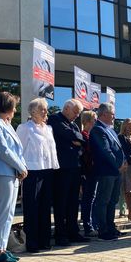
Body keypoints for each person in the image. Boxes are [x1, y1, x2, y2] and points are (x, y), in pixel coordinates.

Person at [0, 92, 28, 262]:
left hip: (11, 172)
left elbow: (17, 149)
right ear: (7, 107)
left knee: (9, 213)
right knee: (2, 212)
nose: (15, 109)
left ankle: (2, 248)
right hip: (2, 172)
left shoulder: (6, 124)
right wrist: (20, 166)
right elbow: (3, 150)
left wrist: (21, 167)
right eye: (14, 106)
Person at [16, 98, 59, 253]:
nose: (45, 112)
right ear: (33, 111)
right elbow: (18, 149)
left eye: (46, 109)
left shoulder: (48, 128)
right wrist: (20, 168)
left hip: (47, 170)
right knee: (32, 207)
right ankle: (32, 242)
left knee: (45, 207)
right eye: (42, 109)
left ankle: (45, 241)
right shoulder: (24, 128)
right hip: (32, 170)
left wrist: (55, 166)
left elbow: (52, 150)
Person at [48, 99, 88, 245]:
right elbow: (68, 135)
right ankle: (60, 234)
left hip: (75, 168)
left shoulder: (74, 125)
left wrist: (77, 141)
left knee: (73, 202)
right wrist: (76, 140)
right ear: (66, 109)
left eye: (78, 113)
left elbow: (82, 140)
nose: (77, 116)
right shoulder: (55, 119)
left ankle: (73, 232)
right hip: (62, 169)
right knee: (61, 203)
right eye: (75, 112)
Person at [90, 103, 126, 240]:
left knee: (112, 201)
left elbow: (119, 149)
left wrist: (124, 162)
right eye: (112, 114)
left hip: (116, 171)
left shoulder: (110, 129)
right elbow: (105, 151)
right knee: (103, 200)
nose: (114, 117)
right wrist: (118, 165)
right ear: (104, 114)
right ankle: (103, 230)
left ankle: (111, 227)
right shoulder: (98, 129)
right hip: (107, 171)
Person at [79, 110, 98, 236]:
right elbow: (83, 155)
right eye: (94, 120)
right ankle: (88, 226)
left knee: (92, 198)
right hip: (87, 172)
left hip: (93, 171)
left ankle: (92, 224)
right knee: (87, 199)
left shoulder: (91, 135)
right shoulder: (83, 135)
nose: (95, 123)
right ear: (88, 121)